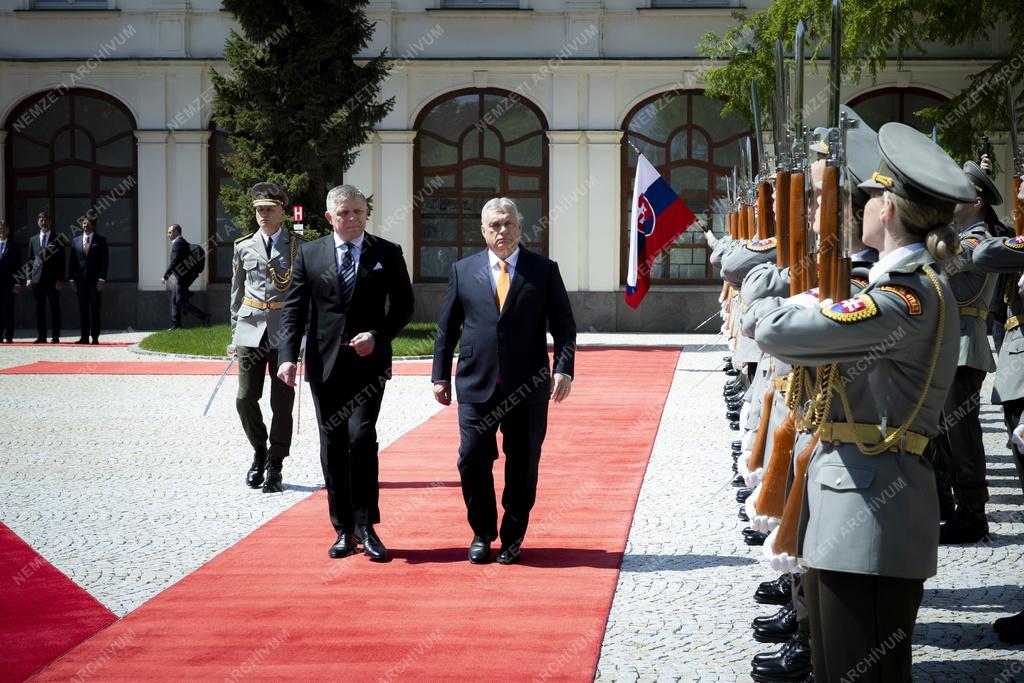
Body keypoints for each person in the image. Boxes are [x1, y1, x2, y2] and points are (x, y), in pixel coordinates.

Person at [754, 122, 974, 680]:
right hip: (851, 499)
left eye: (872, 194)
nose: (863, 204)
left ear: (891, 212)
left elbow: (775, 331)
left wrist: (794, 306)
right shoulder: (896, 288)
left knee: (863, 670)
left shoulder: (905, 297)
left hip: (872, 507)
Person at [431, 197, 577, 565]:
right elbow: (446, 329)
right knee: (471, 459)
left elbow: (564, 326)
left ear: (520, 227)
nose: (502, 231)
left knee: (523, 463)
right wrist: (439, 376)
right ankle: (482, 532)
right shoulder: (464, 270)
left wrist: (563, 368)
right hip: (476, 383)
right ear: (483, 231)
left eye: (508, 223)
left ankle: (513, 535)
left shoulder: (543, 270)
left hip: (527, 386)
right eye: (494, 225)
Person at [277, 184, 414, 563]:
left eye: (358, 212)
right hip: (325, 366)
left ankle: (367, 526)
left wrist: (378, 334)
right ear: (329, 217)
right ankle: (342, 529)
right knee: (333, 442)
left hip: (369, 364)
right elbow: (294, 310)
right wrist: (288, 357)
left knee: (362, 436)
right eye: (344, 214)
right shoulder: (310, 253)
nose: (353, 219)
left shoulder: (386, 252)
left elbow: (404, 306)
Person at [931, 160, 1001, 543]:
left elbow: (942, 264)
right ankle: (948, 502)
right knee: (941, 431)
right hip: (948, 343)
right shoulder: (960, 234)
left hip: (963, 344)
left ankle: (973, 512)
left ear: (975, 199)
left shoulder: (977, 240)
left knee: (961, 432)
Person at [229, 182, 298, 493]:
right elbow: (236, 292)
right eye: (258, 210)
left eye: (269, 209)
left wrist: (303, 335)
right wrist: (234, 333)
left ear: (282, 213)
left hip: (285, 331)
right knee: (245, 398)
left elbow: (305, 295)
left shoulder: (299, 246)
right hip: (250, 329)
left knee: (281, 402)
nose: (263, 215)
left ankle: (276, 462)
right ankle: (260, 450)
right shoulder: (243, 246)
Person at [67, 215, 108, 345]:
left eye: (88, 223)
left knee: (95, 309)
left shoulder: (100, 240)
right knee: (82, 309)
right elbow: (72, 261)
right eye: (84, 223)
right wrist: (71, 279)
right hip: (80, 282)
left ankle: (95, 337)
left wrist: (102, 279)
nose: (85, 225)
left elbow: (104, 261)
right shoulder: (76, 240)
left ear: (93, 225)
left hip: (95, 282)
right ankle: (84, 337)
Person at [25, 211, 65, 343]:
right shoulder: (33, 239)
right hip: (37, 279)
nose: (44, 222)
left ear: (51, 222)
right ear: (38, 222)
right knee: (39, 308)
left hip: (53, 280)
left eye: (46, 220)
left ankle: (55, 336)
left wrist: (60, 279)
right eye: (41, 220)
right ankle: (41, 336)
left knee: (54, 308)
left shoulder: (58, 238)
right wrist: (28, 277)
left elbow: (62, 260)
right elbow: (30, 260)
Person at [161, 224, 210, 329]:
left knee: (179, 301)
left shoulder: (178, 243)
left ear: (176, 232)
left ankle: (204, 316)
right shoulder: (181, 243)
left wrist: (165, 276)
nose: (168, 235)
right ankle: (176, 325)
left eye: (170, 232)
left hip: (183, 277)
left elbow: (174, 262)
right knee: (175, 299)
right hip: (184, 276)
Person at [0, 220, 21, 343]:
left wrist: (17, 283)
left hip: (9, 284)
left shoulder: (13, 246)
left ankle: (9, 335)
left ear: (8, 230)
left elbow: (18, 266)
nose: (1, 230)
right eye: (0, 228)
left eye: (4, 228)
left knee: (8, 310)